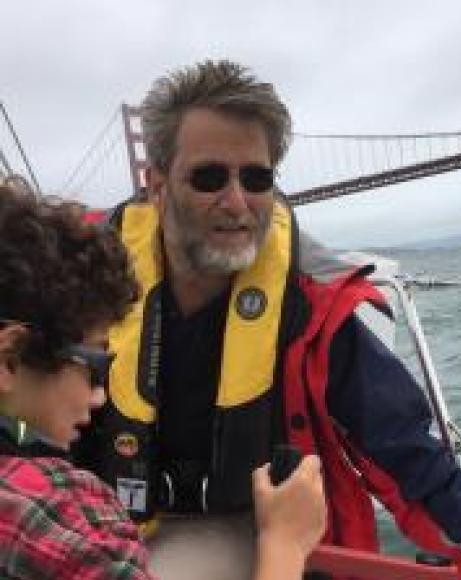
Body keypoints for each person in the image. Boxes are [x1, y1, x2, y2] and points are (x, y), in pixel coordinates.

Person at [73, 60, 461, 580]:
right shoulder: (81, 285)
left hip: (252, 529)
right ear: (156, 185)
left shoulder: (309, 309)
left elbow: (413, 460)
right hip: (88, 519)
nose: (237, 202)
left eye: (257, 178)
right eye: (209, 177)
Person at [0, 185, 327, 580]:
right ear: (11, 359)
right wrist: (285, 543)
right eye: (96, 364)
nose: (101, 395)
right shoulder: (52, 515)